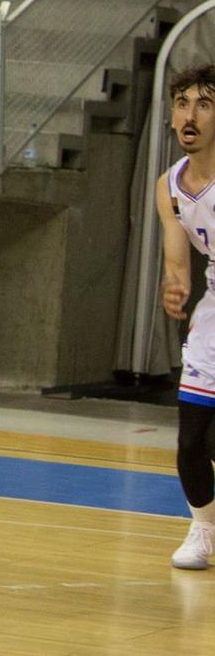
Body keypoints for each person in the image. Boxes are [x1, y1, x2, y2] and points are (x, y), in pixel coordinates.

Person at [156, 65, 215, 571]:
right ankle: (203, 528)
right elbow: (179, 262)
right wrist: (176, 286)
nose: (188, 115)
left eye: (203, 104)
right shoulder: (169, 185)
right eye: (181, 103)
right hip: (214, 313)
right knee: (192, 437)